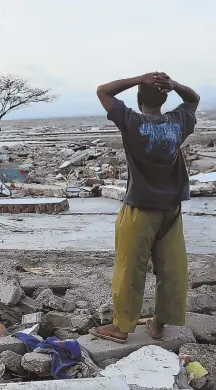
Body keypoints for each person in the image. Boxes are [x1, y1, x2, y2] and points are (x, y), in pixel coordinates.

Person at [89, 72, 200, 343]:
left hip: (139, 207)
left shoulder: (133, 122)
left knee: (130, 268)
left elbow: (103, 91)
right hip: (171, 209)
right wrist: (174, 86)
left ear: (139, 99)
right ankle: (159, 324)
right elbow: (194, 98)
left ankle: (121, 329)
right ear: (164, 98)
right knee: (172, 266)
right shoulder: (178, 121)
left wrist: (139, 78)